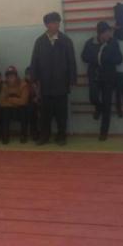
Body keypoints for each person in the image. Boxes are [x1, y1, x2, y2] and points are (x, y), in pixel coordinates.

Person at [30, 12, 77, 146]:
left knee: (61, 112)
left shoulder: (66, 40)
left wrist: (72, 80)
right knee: (45, 113)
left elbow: (71, 61)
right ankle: (44, 136)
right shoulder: (40, 41)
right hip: (45, 84)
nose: (56, 25)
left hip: (61, 82)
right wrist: (34, 79)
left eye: (57, 22)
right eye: (52, 23)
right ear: (46, 25)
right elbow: (34, 61)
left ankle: (61, 136)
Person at [81, 22, 123, 141]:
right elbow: (83, 57)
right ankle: (98, 108)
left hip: (108, 77)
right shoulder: (90, 43)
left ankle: (103, 132)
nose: (109, 35)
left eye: (110, 32)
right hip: (94, 76)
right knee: (93, 98)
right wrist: (96, 58)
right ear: (100, 33)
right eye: (106, 33)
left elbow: (120, 59)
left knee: (107, 104)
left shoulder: (113, 43)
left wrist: (106, 58)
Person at [0, 66, 30, 144]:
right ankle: (5, 136)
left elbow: (24, 101)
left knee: (23, 110)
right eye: (8, 76)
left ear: (16, 76)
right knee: (4, 111)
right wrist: (16, 101)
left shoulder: (23, 84)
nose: (10, 78)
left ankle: (23, 135)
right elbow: (2, 102)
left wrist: (9, 99)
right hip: (9, 110)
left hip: (20, 110)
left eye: (12, 75)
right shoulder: (4, 85)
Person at [25, 66, 40, 141]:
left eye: (32, 74)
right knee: (32, 109)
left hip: (40, 103)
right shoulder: (24, 83)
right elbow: (24, 96)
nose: (30, 76)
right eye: (28, 74)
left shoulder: (39, 83)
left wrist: (38, 97)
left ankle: (43, 132)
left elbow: (42, 94)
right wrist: (33, 99)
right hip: (28, 104)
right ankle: (34, 132)